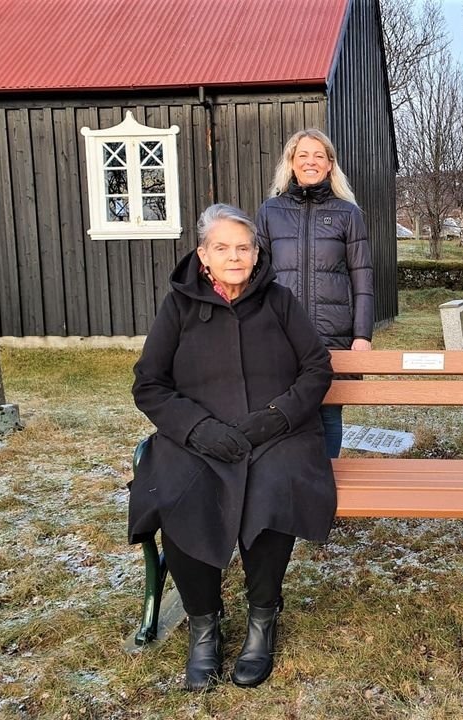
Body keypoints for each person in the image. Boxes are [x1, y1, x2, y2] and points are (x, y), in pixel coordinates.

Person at [129, 204, 336, 691]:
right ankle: (204, 624)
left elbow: (316, 369)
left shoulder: (280, 301)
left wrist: (275, 418)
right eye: (222, 247)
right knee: (176, 490)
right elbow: (149, 384)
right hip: (199, 437)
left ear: (257, 252)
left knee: (272, 487)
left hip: (277, 435)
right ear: (203, 255)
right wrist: (198, 430)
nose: (235, 256)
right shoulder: (179, 305)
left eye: (243, 247)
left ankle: (262, 618)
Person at [256, 129, 374, 459]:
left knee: (328, 415)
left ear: (330, 165)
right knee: (285, 414)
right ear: (291, 163)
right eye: (303, 155)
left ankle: (325, 490)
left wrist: (362, 335)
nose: (311, 162)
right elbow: (258, 276)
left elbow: (362, 277)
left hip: (332, 335)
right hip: (281, 335)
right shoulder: (270, 211)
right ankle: (294, 489)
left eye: (319, 156)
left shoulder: (348, 214)